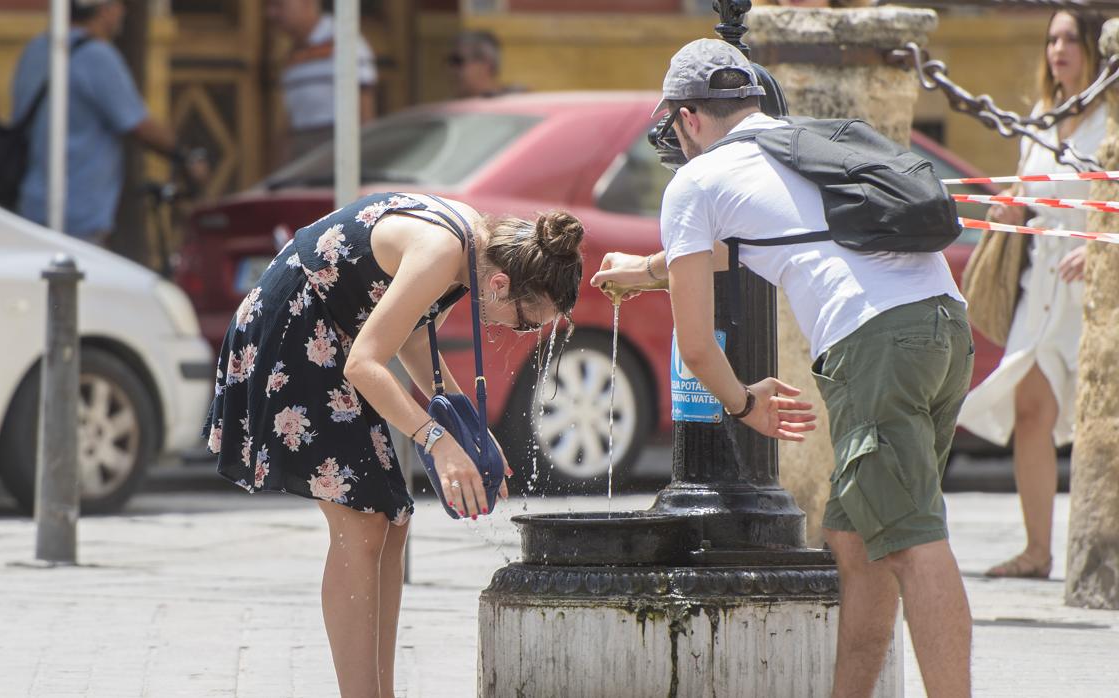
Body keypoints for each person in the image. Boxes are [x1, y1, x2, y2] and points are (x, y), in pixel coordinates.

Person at [592, 39, 974, 697]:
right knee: (857, 544)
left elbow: (698, 346)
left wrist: (743, 403)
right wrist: (648, 273)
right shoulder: (798, 143)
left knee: (910, 540)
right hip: (942, 323)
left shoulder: (696, 179)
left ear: (686, 118)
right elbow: (752, 241)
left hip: (875, 341)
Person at [203, 192, 584, 696]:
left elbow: (410, 339)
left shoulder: (473, 250)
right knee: (360, 526)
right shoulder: (443, 251)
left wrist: (468, 431)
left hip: (337, 336)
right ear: (501, 283)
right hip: (293, 332)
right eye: (527, 320)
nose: (519, 331)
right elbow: (364, 364)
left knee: (392, 521)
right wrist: (437, 440)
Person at [957, 10, 1107, 580]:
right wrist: (1009, 206)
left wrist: (1099, 250)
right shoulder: (1043, 117)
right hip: (1041, 286)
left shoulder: (1111, 116)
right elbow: (1028, 190)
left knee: (1100, 421)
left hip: (1094, 288)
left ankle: (1096, 549)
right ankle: (1038, 550)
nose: (1058, 48)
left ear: (1095, 47)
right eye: (1051, 38)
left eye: (1070, 37)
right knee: (1031, 412)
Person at [10, 0, 203, 246]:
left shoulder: (37, 48)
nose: (122, 11)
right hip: (77, 207)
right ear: (104, 10)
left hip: (31, 201)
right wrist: (184, 156)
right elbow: (139, 124)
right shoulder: (97, 56)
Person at [267, 0, 377, 166]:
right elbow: (291, 118)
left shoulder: (343, 41)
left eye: (279, 5)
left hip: (336, 150)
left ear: (306, 3)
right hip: (302, 150)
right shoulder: (290, 52)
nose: (271, 14)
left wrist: (362, 159)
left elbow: (364, 111)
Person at [447, 30, 522, 99]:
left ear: (485, 64)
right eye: (450, 61)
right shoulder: (452, 109)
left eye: (457, 61)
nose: (451, 69)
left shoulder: (517, 101)